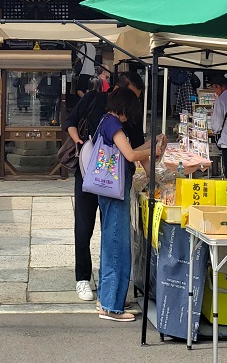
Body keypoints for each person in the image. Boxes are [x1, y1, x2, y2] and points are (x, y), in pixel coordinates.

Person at [93, 88, 158, 322]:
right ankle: (112, 306)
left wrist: (152, 145)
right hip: (115, 191)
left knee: (110, 244)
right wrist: (153, 150)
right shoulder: (113, 124)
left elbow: (131, 153)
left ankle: (107, 297)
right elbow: (131, 156)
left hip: (109, 190)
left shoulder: (105, 120)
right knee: (117, 245)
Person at [64, 75, 112, 301]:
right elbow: (71, 122)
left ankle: (107, 277)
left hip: (113, 175)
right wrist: (80, 143)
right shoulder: (93, 98)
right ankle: (82, 277)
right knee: (84, 226)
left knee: (111, 228)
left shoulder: (127, 106)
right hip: (86, 168)